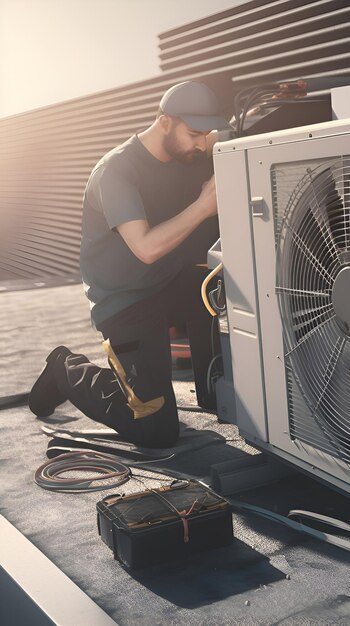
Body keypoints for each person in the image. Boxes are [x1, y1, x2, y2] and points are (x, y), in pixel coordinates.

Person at [28, 81, 228, 448]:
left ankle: (214, 388)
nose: (202, 144)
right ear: (165, 122)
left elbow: (223, 139)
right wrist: (204, 204)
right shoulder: (117, 170)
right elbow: (146, 249)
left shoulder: (188, 151)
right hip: (126, 303)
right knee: (156, 431)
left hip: (171, 281)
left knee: (223, 285)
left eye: (206, 134)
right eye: (195, 134)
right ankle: (64, 369)